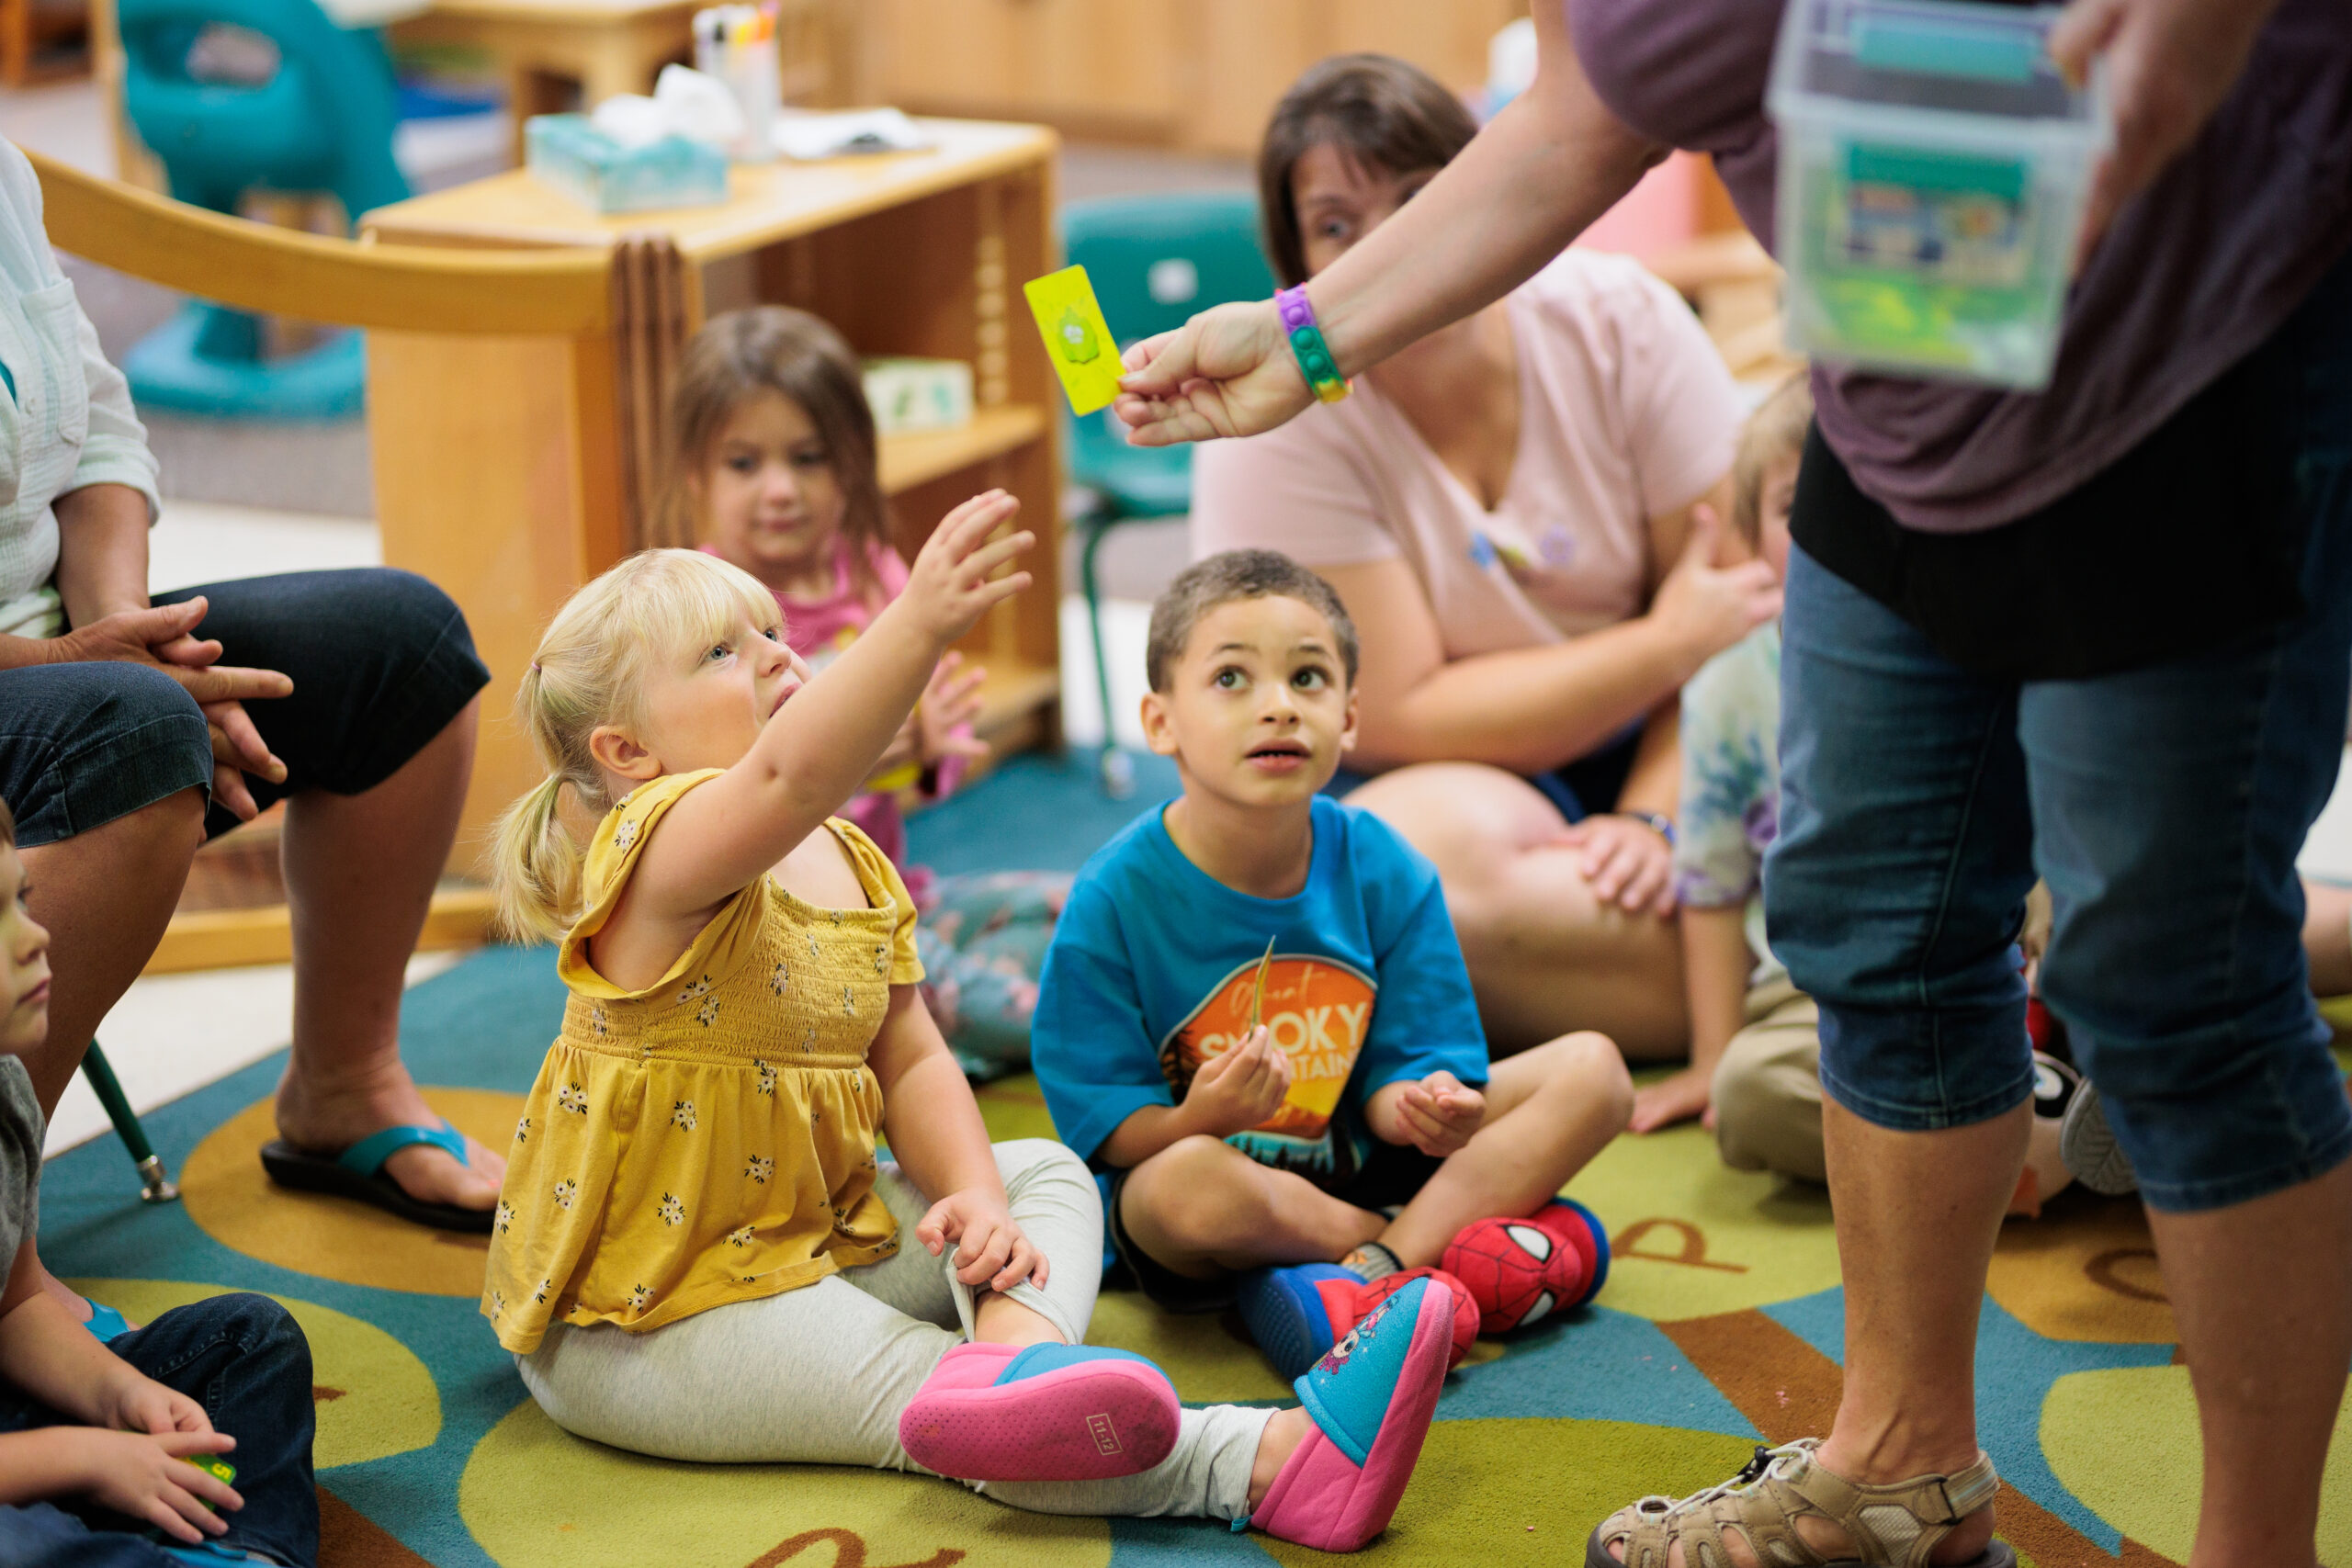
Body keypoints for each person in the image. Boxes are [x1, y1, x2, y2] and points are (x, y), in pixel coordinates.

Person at [1112, 0, 2352, 1562]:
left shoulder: (1617, 333)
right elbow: (1584, 115)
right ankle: (1901, 1461)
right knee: (1867, 928)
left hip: (2190, 380)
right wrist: (1302, 333)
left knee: (2176, 990)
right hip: (1902, 415)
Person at [480, 522, 1456, 1554]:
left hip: (810, 1239)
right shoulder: (658, 845)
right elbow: (784, 781)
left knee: (1041, 1174)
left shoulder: (848, 857)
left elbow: (909, 1053)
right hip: (648, 1318)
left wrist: (979, 1208)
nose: (775, 652)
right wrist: (916, 624)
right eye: (722, 651)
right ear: (629, 754)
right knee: (918, 1389)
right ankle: (1267, 1465)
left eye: (771, 629)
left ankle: (1012, 1365)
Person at [1190, 55, 1781, 1061]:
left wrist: (1654, 817)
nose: (1388, 250)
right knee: (1396, 871)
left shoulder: (1618, 320)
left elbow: (1743, 605)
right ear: (1295, 271)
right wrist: (1662, 641)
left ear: (1487, 202)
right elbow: (1407, 708)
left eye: (1420, 202)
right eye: (1337, 225)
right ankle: (1766, 986)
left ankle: (1747, 980)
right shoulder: (1287, 415)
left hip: (1685, 742)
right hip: (1453, 767)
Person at [0, 135, 503, 1257]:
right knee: (134, 734)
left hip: (65, 643)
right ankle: (0, 1244)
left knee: (403, 653)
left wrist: (137, 642)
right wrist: (97, 674)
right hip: (40, 679)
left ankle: (344, 1089)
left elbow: (104, 443)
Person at [1032, 550, 1631, 1379]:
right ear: (1160, 721)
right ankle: (1456, 1251)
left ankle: (1381, 1274)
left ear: (1348, 718)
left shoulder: (1386, 864)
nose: (1278, 706)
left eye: (1307, 678)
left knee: (1595, 1071)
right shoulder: (1112, 897)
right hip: (1217, 1184)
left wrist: (1426, 1104)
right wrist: (1197, 1115)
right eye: (1232, 679)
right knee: (1180, 1190)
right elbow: (1107, 1130)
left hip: (1365, 1158)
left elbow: (1414, 1064)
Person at [671, 305, 1064, 1079]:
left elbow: (936, 755)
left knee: (1079, 909)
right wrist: (847, 758)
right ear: (697, 477)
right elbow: (720, 804)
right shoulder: (700, 611)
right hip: (798, 941)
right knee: (1037, 1007)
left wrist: (922, 754)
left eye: (809, 457)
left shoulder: (880, 576)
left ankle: (925, 1039)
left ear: (852, 465)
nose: (779, 490)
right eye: (744, 464)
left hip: (897, 895)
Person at [0, 796, 322, 1567]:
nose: (34, 935)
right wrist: (83, 1457)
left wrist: (121, 1396)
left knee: (250, 1340)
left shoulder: (7, 1087)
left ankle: (234, 1552)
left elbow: (13, 1306)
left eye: (16, 898)